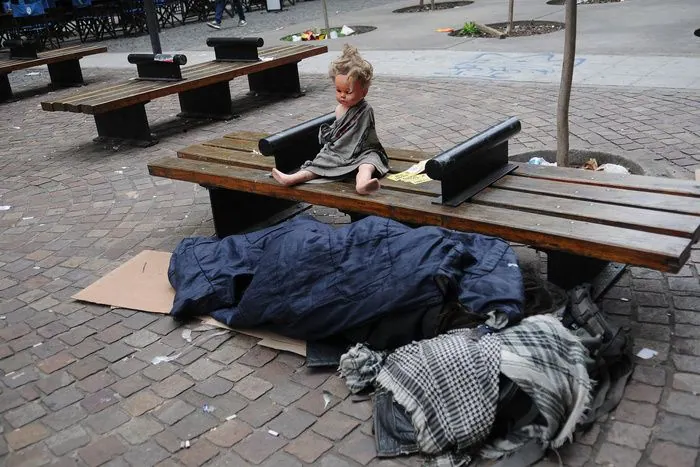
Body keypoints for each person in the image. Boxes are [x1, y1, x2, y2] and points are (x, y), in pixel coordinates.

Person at [272, 44, 389, 195]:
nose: (342, 95)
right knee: (320, 163)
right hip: (339, 151)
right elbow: (339, 133)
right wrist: (330, 136)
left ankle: (362, 184)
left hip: (363, 151)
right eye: (338, 90)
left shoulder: (366, 110)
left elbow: (363, 135)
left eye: (348, 92)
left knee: (368, 164)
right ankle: (292, 178)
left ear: (364, 92)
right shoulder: (339, 109)